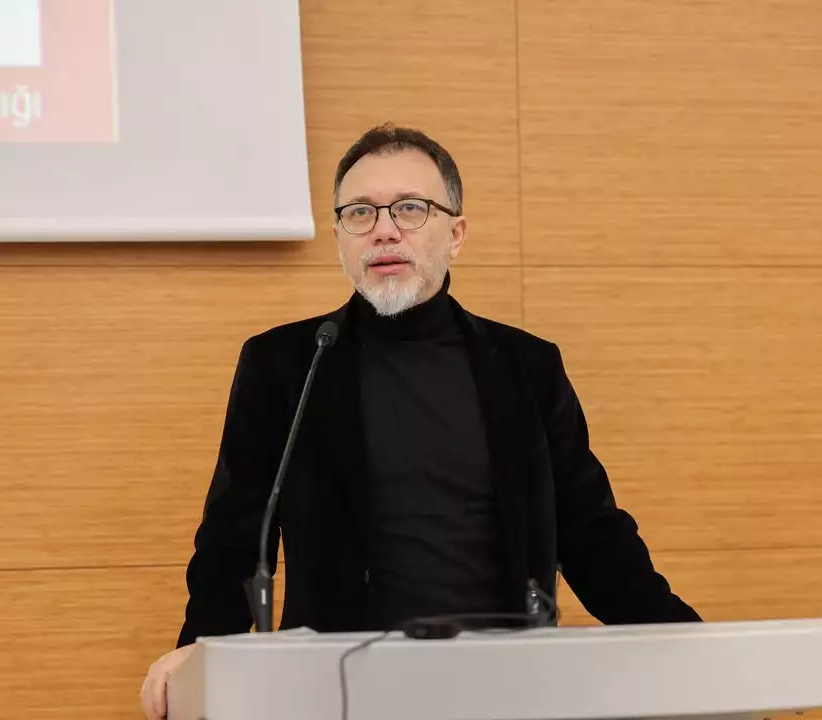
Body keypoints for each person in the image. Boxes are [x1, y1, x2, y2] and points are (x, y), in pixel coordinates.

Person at [140, 124, 699, 719]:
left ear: (456, 233)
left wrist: (690, 647)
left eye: (410, 208)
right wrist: (200, 649)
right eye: (360, 212)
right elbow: (235, 533)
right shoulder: (288, 362)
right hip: (340, 690)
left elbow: (592, 533)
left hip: (509, 688)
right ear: (340, 238)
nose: (384, 229)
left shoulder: (526, 365)